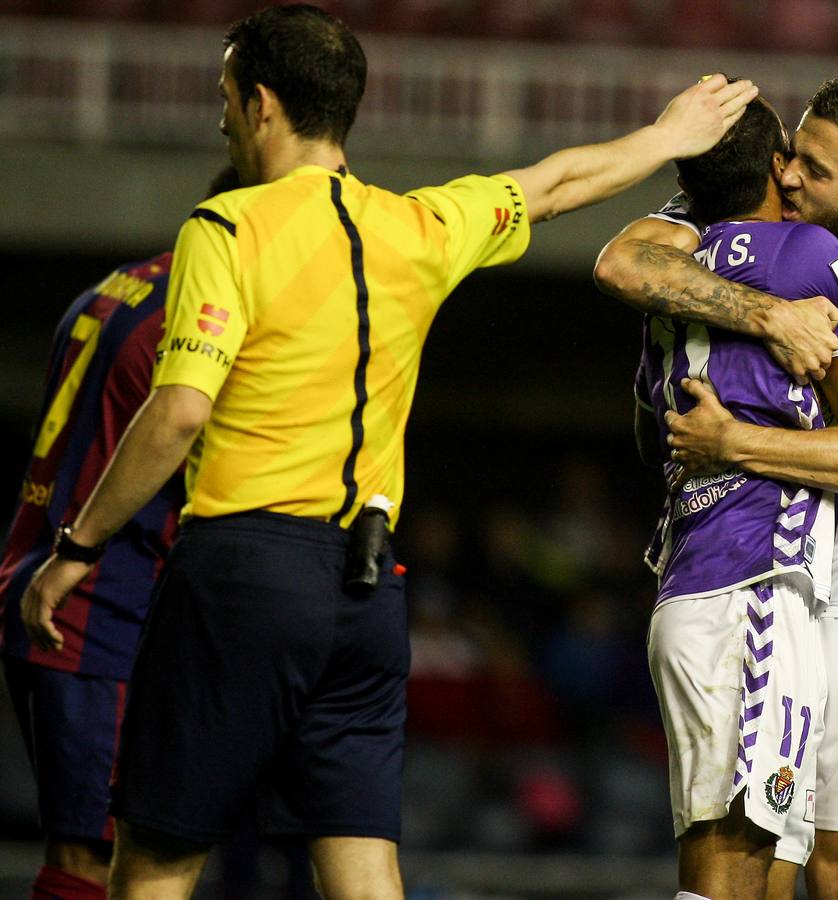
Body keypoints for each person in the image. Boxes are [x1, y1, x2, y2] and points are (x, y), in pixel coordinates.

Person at [17, 5, 758, 898]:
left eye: (224, 96)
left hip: (241, 572)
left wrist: (77, 548)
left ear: (259, 104)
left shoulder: (226, 228)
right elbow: (560, 181)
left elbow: (177, 413)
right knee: (364, 870)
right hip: (366, 597)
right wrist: (667, 134)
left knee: (153, 866)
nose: (220, 117)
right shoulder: (420, 226)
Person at [596, 73, 838, 899]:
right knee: (761, 857)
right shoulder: (726, 221)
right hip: (758, 570)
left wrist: (740, 442)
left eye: (817, 168)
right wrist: (765, 315)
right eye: (793, 153)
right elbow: (622, 259)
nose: (791, 176)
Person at [0, 168, 238, 900]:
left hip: (42, 584)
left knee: (94, 854)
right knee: (95, 864)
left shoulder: (117, 286)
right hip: (101, 609)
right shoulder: (198, 319)